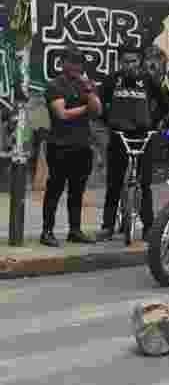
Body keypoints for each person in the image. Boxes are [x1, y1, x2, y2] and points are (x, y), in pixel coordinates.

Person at [97, 46, 168, 241]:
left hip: (143, 137)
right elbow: (98, 103)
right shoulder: (112, 80)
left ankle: (148, 227)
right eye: (126, 61)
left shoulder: (148, 81)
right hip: (118, 136)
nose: (131, 65)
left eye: (134, 61)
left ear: (140, 62)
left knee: (145, 184)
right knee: (114, 182)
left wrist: (153, 124)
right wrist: (108, 122)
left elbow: (164, 104)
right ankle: (107, 226)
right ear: (120, 62)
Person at [41, 47, 102, 247]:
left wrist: (90, 91)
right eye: (72, 62)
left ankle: (74, 230)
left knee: (77, 191)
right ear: (63, 63)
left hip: (82, 145)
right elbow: (62, 114)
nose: (76, 66)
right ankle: (47, 231)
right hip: (60, 146)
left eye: (79, 63)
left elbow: (98, 111)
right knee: (55, 190)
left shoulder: (84, 85)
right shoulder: (54, 85)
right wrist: (87, 107)